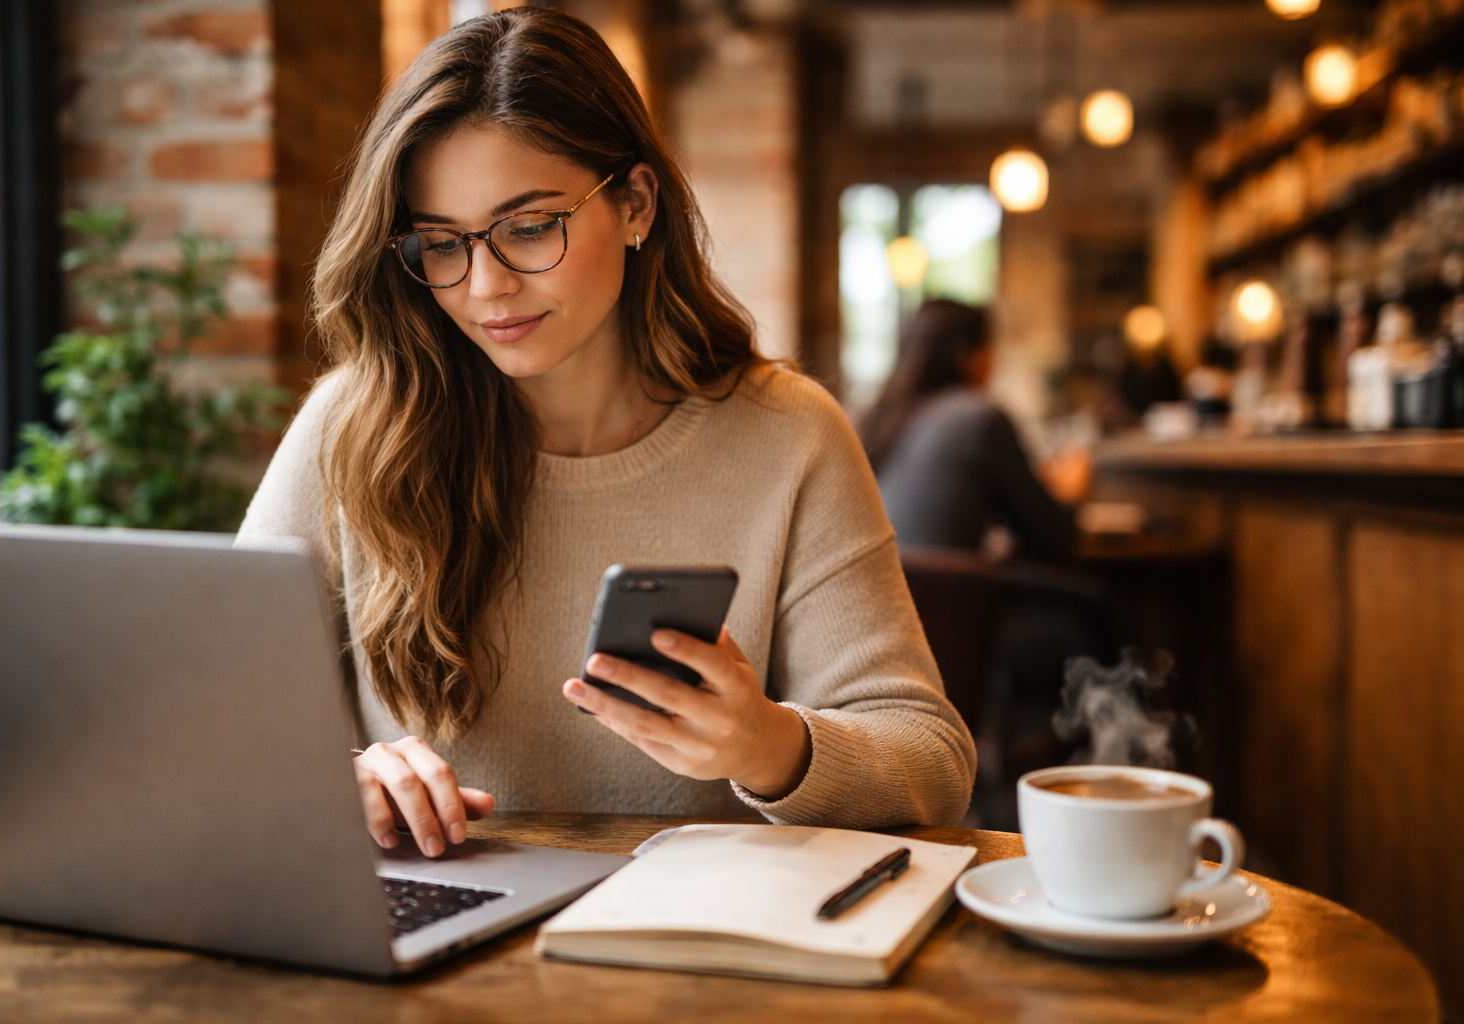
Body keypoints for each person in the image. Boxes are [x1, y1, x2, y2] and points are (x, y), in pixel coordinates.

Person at [236, 8, 973, 859]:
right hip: (434, 924)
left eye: (529, 228)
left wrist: (770, 747)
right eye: (440, 243)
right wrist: (340, 774)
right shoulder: (353, 427)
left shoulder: (788, 436)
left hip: (687, 933)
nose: (485, 285)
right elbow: (216, 718)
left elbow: (932, 761)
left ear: (635, 204)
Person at [859, 300, 1087, 559]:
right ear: (967, 356)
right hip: (952, 583)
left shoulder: (885, 417)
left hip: (889, 581)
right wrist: (1072, 493)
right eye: (990, 348)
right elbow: (1053, 533)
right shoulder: (979, 418)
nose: (995, 360)